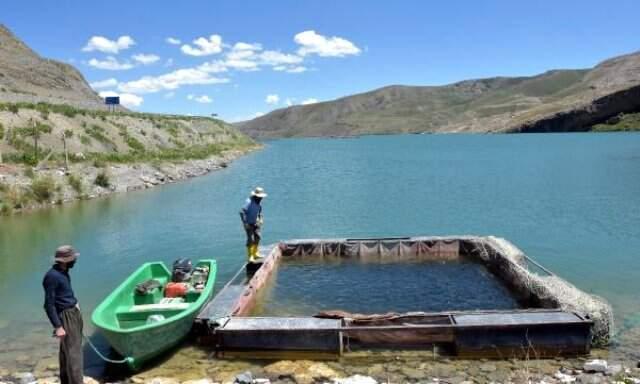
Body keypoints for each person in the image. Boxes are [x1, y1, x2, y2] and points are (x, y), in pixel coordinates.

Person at [43, 245, 83, 384]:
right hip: (66, 317)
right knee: (74, 355)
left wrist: (74, 302)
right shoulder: (52, 276)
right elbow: (48, 304)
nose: (75, 261)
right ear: (65, 260)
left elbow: (64, 293)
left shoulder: (63, 271)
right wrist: (58, 326)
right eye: (73, 259)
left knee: (68, 352)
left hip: (72, 312)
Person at [240, 187, 267, 263]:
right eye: (259, 197)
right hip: (248, 223)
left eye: (261, 197)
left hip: (256, 222)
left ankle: (255, 253)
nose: (261, 198)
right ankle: (250, 256)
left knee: (258, 237)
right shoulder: (249, 201)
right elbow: (242, 212)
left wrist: (261, 219)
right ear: (255, 196)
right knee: (250, 239)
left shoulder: (259, 202)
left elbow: (260, 212)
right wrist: (245, 223)